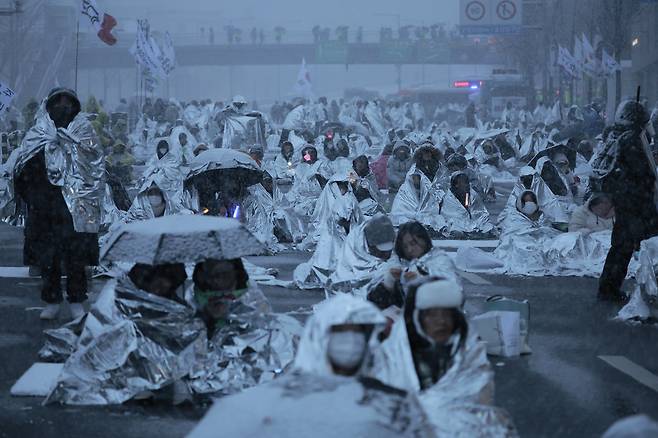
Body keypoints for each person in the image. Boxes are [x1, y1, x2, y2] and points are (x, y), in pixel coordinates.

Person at [373, 277, 517, 436]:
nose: (441, 321)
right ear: (418, 319)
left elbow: (481, 399)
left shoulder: (469, 353)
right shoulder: (394, 356)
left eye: (447, 315)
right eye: (432, 315)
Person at [13, 88, 104, 320]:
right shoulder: (39, 131)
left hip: (75, 208)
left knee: (76, 257)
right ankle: (51, 300)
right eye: (58, 103)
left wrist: (71, 148)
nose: (63, 108)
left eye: (67, 104)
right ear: (50, 106)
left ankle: (76, 299)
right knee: (48, 257)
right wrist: (35, 193)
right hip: (45, 206)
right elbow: (23, 165)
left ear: (74, 106)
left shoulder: (84, 131)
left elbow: (94, 165)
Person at [593, 100, 658, 302]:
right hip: (636, 203)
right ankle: (611, 290)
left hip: (627, 201)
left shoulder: (620, 136)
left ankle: (608, 288)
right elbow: (641, 173)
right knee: (632, 247)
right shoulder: (632, 140)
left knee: (623, 247)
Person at [366, 222, 456, 310]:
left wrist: (420, 282)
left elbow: (452, 294)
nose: (409, 250)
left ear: (424, 239)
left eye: (413, 243)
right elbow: (373, 304)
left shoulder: (439, 260)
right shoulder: (397, 264)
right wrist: (389, 282)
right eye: (405, 246)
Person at [328, 213, 396, 292]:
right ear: (370, 244)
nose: (385, 254)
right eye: (381, 252)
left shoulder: (388, 233)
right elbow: (349, 273)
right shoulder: (353, 245)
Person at [439, 172, 495, 237]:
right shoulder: (448, 198)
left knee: (487, 226)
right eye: (462, 183)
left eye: (466, 182)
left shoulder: (471, 195)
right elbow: (448, 215)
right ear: (455, 185)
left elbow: (479, 212)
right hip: (455, 222)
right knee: (454, 229)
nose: (465, 185)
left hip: (473, 222)